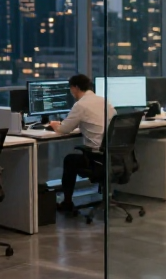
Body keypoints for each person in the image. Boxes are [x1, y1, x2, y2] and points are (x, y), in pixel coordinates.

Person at [50, 74, 116, 212]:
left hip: (96, 158)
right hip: (112, 156)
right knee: (74, 158)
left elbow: (64, 129)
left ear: (75, 88)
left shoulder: (80, 105)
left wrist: (54, 124)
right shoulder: (104, 101)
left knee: (69, 160)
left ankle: (67, 203)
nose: (71, 92)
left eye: (71, 88)